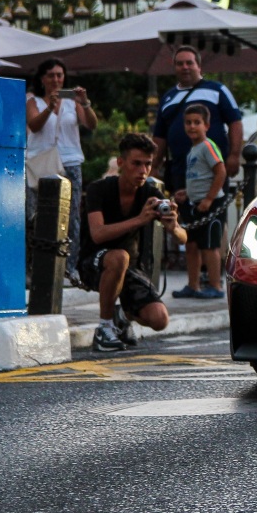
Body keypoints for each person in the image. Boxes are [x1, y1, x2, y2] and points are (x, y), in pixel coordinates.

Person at [78, 133, 187, 351]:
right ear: (121, 163)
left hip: (129, 268)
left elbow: (184, 237)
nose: (143, 171)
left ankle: (121, 315)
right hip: (94, 261)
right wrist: (139, 220)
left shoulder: (150, 193)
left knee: (159, 319)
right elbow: (98, 234)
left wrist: (173, 226)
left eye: (147, 164)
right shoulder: (98, 190)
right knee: (120, 257)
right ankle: (104, 327)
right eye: (136, 164)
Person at [26, 57, 97, 282]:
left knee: (71, 215)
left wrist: (84, 103)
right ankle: (35, 266)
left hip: (70, 161)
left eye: (60, 75)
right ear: (42, 78)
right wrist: (50, 107)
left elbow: (91, 125)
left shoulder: (72, 101)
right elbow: (34, 125)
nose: (56, 79)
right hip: (41, 162)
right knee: (35, 214)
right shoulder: (32, 100)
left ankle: (69, 267)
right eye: (51, 75)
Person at [152, 45, 243, 193]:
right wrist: (154, 166)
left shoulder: (217, 90)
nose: (185, 67)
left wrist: (234, 155)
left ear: (199, 66)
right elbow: (160, 136)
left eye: (189, 63)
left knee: (212, 212)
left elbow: (235, 122)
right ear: (174, 67)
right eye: (180, 64)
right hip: (180, 170)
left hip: (211, 169)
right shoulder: (168, 97)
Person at [172, 105, 227, 299]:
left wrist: (209, 198)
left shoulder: (208, 146)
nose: (192, 126)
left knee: (210, 246)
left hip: (211, 206)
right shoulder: (193, 150)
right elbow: (201, 176)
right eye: (188, 122)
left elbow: (220, 171)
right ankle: (192, 284)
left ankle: (215, 286)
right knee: (191, 245)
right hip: (194, 204)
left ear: (207, 125)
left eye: (197, 122)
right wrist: (187, 193)